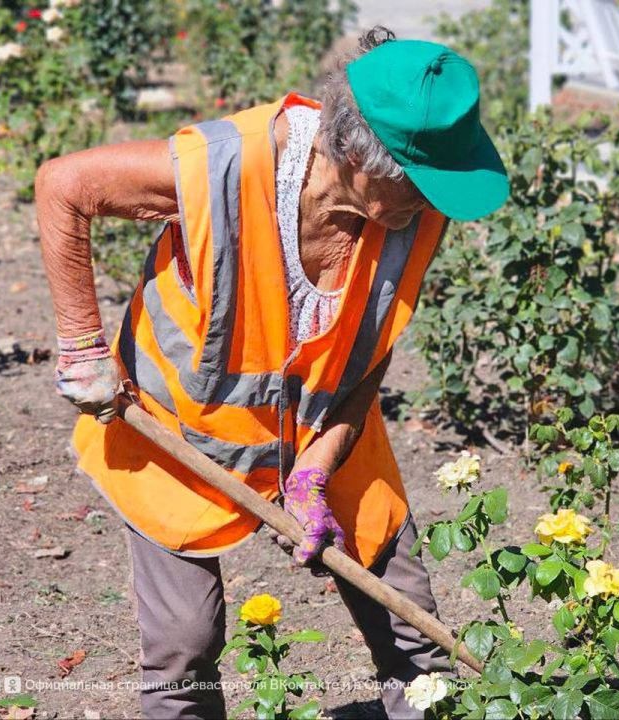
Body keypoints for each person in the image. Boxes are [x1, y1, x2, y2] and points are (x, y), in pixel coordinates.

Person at [35, 27, 509, 719]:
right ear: (356, 155)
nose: (437, 202)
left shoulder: (414, 210)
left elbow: (369, 354)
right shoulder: (226, 167)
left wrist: (315, 469)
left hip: (328, 419)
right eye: (421, 182)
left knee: (414, 636)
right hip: (178, 430)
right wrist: (82, 344)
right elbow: (63, 184)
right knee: (183, 645)